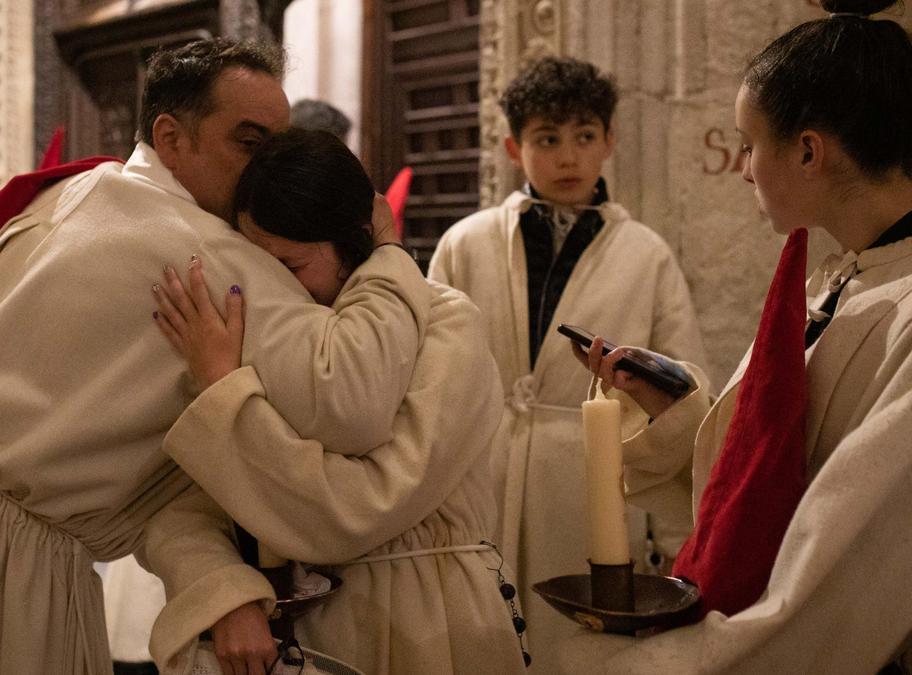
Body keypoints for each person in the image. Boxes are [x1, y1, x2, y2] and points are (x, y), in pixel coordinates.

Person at [0, 38, 431, 674]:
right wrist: (386, 253)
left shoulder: (79, 189)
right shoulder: (203, 250)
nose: (269, 170)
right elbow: (352, 398)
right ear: (171, 136)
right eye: (249, 143)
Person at [564, 1, 912, 672]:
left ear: (809, 150)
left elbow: (848, 568)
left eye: (750, 143)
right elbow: (787, 464)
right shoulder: (842, 280)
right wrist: (677, 411)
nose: (746, 168)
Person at [145, 128, 524, 674]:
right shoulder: (247, 333)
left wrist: (226, 395)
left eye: (291, 266)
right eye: (257, 264)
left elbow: (362, 508)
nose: (276, 284)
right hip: (300, 634)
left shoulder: (449, 321)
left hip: (435, 623)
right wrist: (224, 593)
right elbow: (176, 500)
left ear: (351, 244)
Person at [425, 55, 706, 671]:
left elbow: (685, 398)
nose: (568, 157)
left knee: (576, 647)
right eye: (546, 140)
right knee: (478, 638)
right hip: (480, 472)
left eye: (583, 137)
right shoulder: (464, 242)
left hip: (593, 483)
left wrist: (671, 539)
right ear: (511, 147)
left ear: (609, 140)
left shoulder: (646, 253)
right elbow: (425, 374)